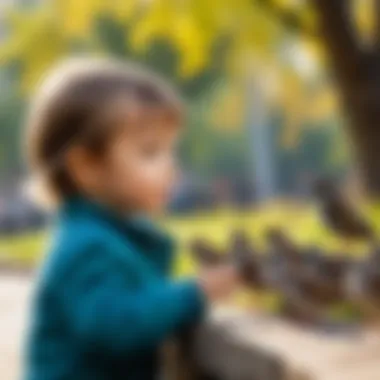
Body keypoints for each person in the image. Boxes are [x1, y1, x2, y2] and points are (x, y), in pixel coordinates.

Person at [22, 58, 240, 380]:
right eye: (150, 152)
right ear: (86, 166)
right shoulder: (86, 246)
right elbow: (116, 326)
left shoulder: (112, 237)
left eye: (171, 151)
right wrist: (193, 293)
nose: (170, 167)